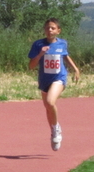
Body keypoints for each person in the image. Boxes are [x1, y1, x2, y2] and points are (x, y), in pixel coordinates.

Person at [28, 17, 80, 151]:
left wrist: (75, 69)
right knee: (47, 107)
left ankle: (56, 128)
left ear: (58, 31)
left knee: (51, 102)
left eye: (53, 28)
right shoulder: (38, 45)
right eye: (47, 28)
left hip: (59, 77)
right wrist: (40, 54)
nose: (49, 30)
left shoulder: (62, 43)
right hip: (44, 80)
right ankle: (52, 129)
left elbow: (65, 56)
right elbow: (31, 66)